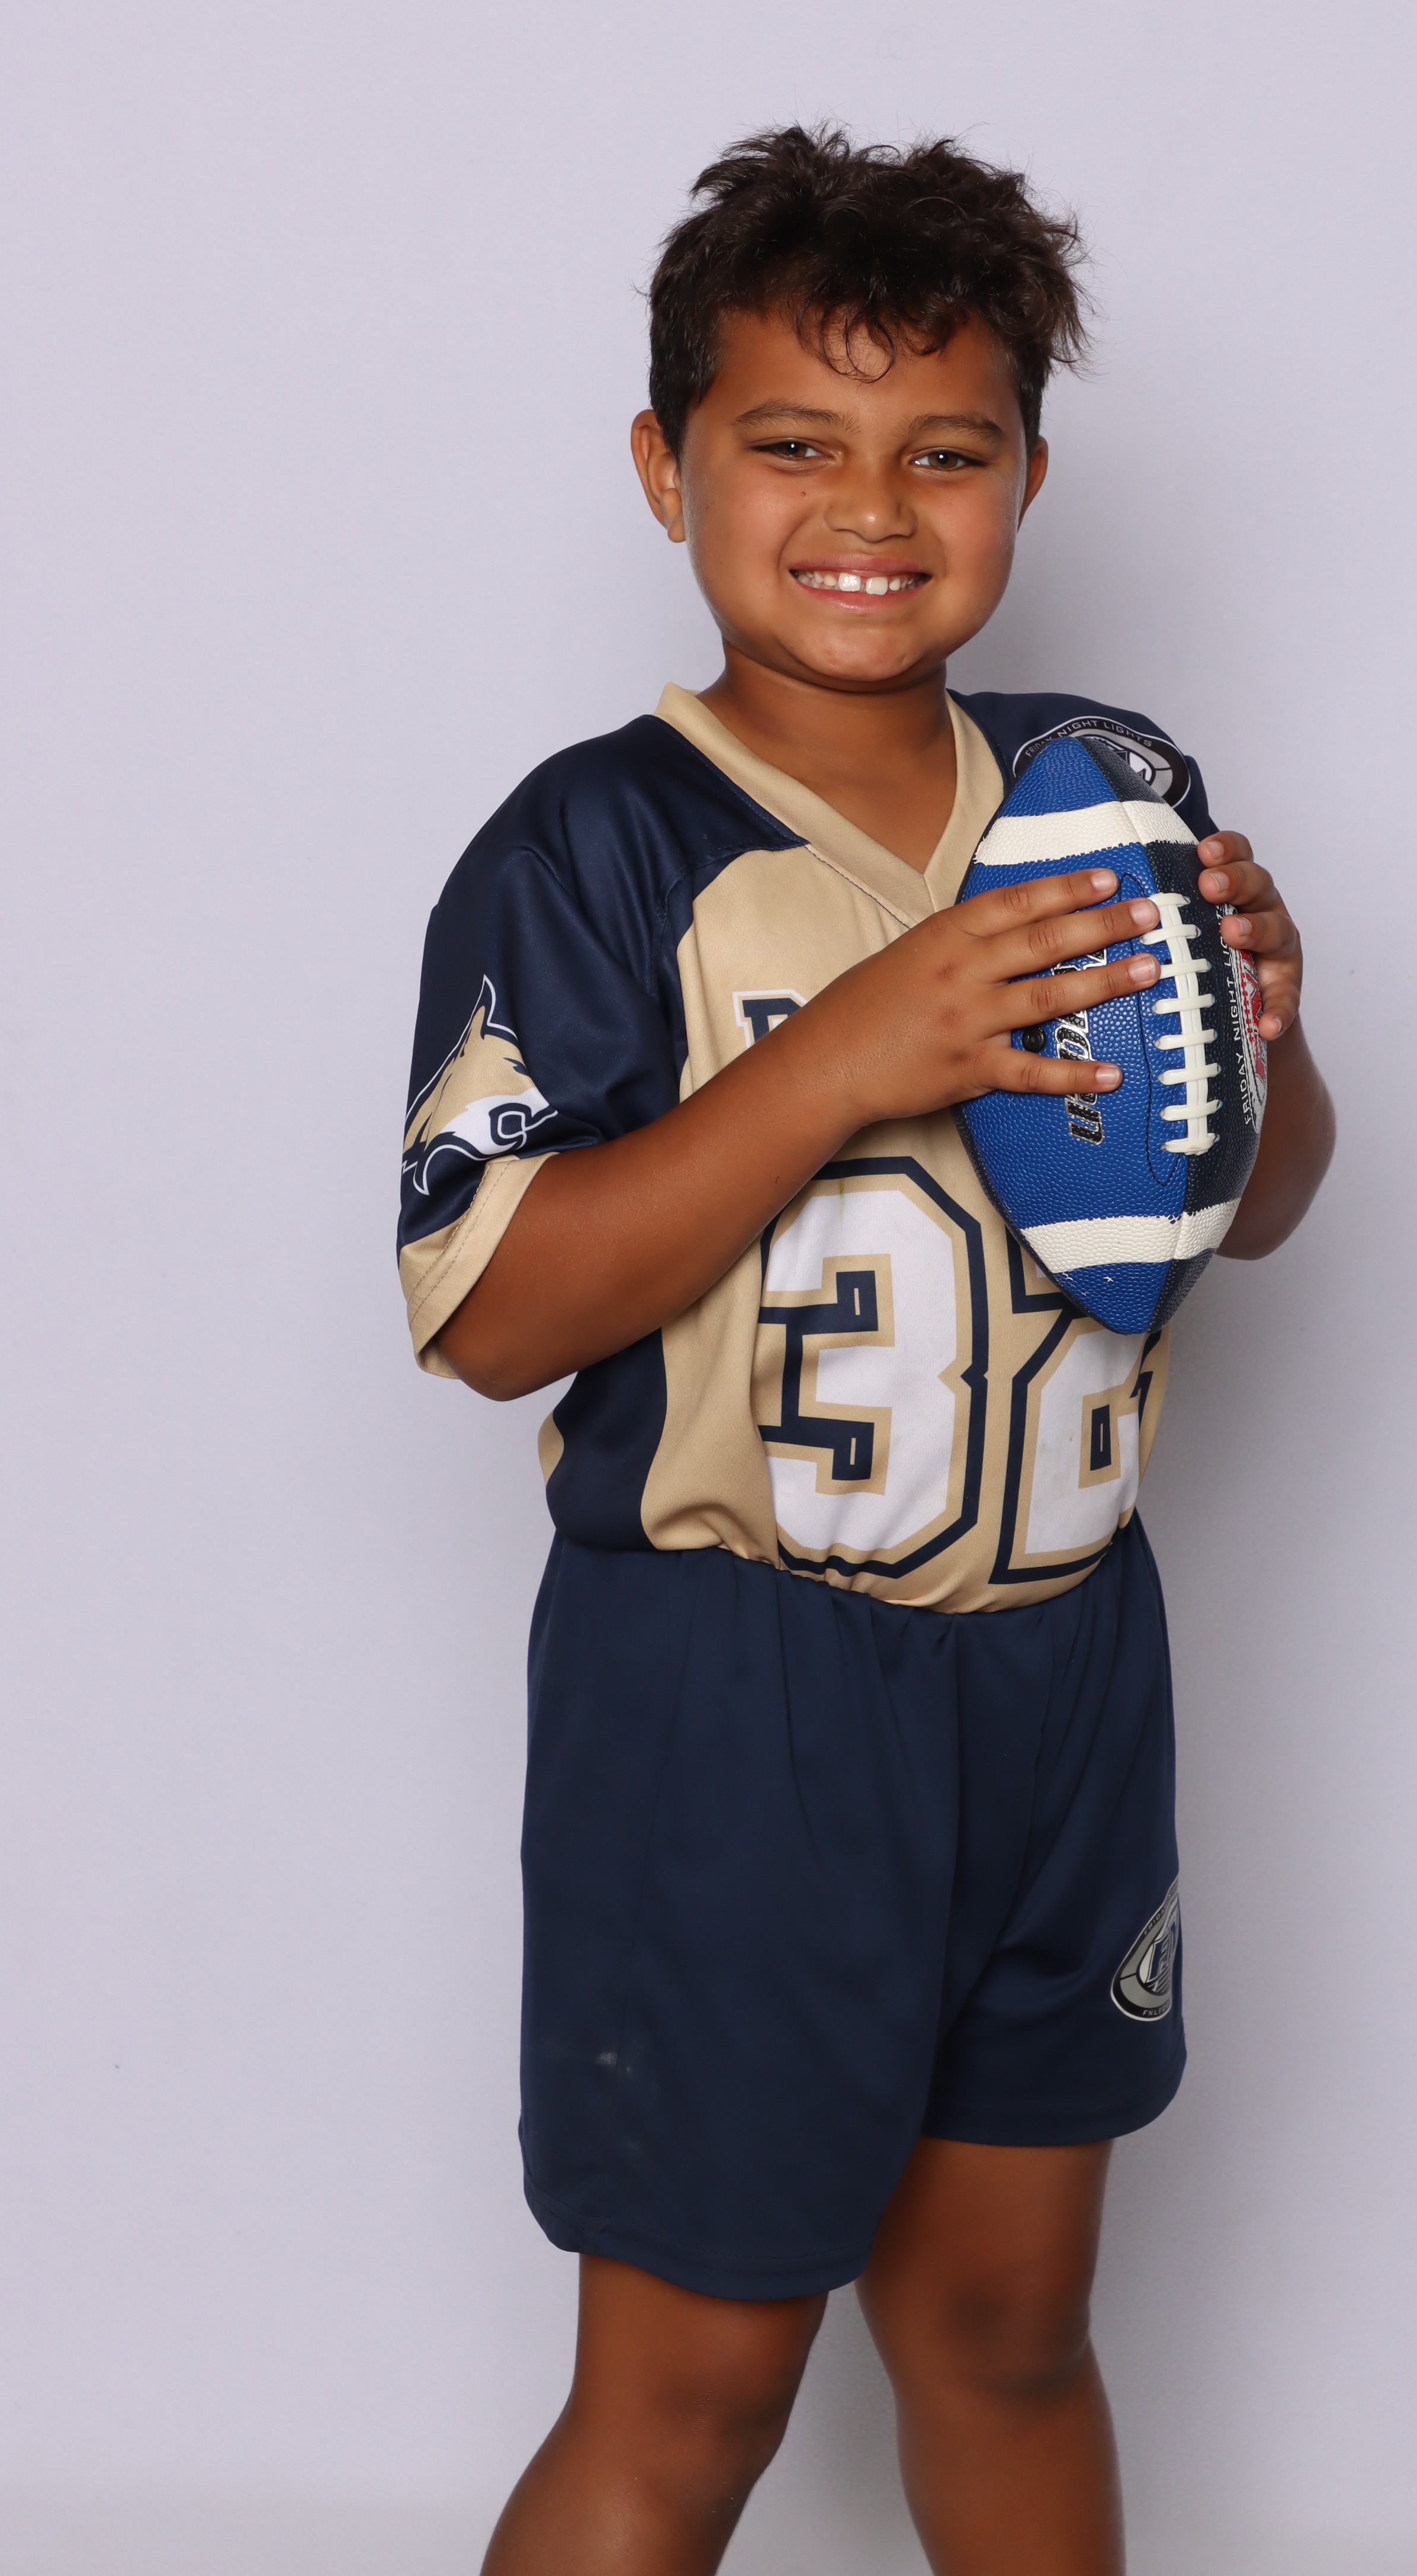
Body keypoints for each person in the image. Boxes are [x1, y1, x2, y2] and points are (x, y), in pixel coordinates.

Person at [397, 124, 1336, 2576]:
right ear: (665, 467)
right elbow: (493, 1314)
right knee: (695, 2389)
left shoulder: (1102, 791)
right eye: (794, 442)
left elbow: (1255, 1207)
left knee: (1009, 2327)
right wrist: (844, 1057)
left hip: (1064, 1663)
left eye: (944, 450)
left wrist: (1267, 1034)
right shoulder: (600, 846)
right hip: (740, 1690)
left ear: (1027, 477)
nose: (869, 508)